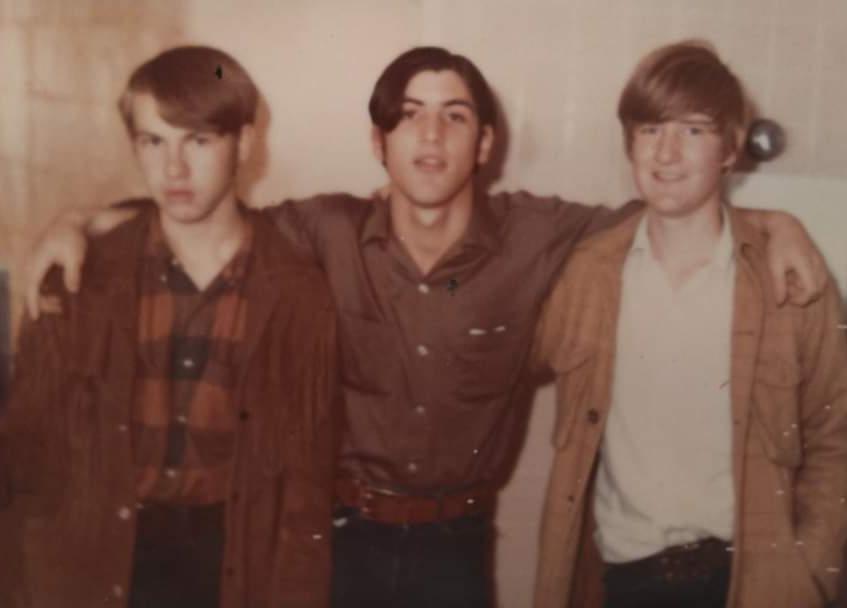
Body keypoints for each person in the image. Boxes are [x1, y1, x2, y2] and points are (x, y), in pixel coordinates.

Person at [22, 46, 828, 608]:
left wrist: (777, 223)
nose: (431, 136)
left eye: (454, 117)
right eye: (407, 117)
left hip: (456, 548)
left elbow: (672, 202)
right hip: (331, 542)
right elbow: (204, 211)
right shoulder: (318, 232)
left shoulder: (542, 236)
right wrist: (80, 219)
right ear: (378, 141)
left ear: (485, 142)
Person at [0, 46, 338, 608]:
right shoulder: (74, 280)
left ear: (245, 144)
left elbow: (304, 498)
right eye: (153, 142)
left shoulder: (298, 295)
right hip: (98, 563)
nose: (173, 169)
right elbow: (25, 470)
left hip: (230, 566)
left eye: (198, 141)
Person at [532, 41, 847, 608]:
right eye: (651, 129)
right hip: (623, 580)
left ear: (730, 148)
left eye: (695, 130)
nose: (668, 154)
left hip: (752, 581)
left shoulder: (790, 279)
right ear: (629, 140)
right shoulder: (587, 274)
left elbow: (836, 436)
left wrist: (809, 571)